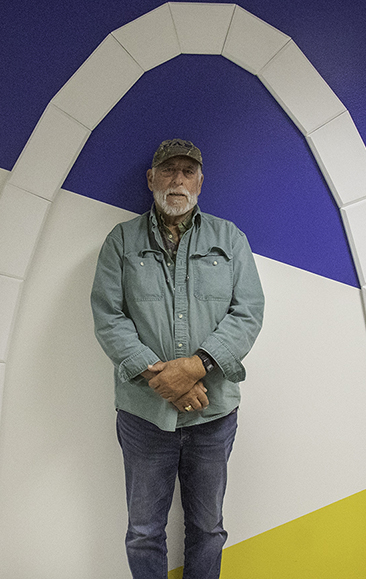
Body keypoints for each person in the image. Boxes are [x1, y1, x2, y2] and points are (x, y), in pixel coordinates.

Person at [89, 139, 264, 579]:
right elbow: (109, 316)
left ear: (200, 182)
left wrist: (195, 367)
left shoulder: (230, 239)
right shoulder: (122, 241)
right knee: (144, 530)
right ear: (151, 179)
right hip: (144, 415)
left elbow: (248, 312)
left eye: (188, 172)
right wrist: (159, 376)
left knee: (208, 529)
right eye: (168, 171)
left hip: (214, 414)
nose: (178, 180)